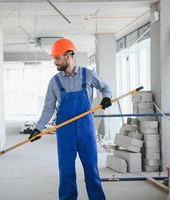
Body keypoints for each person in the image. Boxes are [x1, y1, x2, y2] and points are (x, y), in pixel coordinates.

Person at [28, 38, 112, 200]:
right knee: (66, 171)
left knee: (91, 170)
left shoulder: (88, 74)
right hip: (65, 132)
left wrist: (106, 97)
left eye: (57, 58)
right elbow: (49, 108)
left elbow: (105, 87)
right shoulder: (54, 82)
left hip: (86, 130)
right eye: (54, 59)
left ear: (68, 56)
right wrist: (38, 128)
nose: (55, 62)